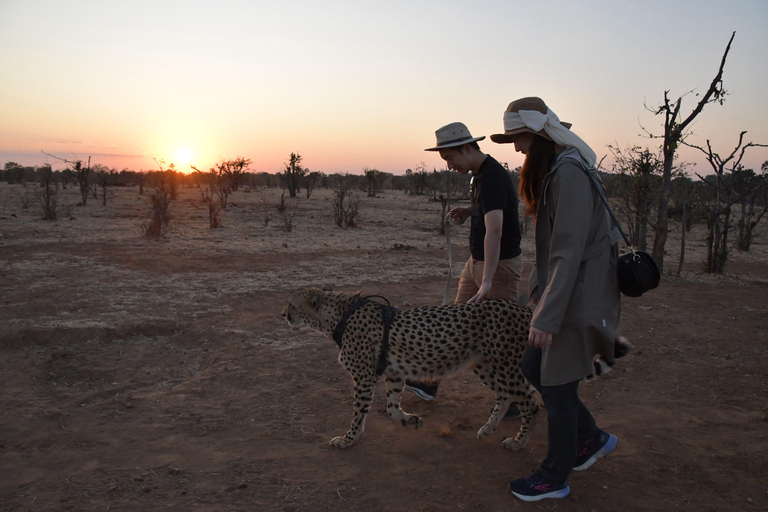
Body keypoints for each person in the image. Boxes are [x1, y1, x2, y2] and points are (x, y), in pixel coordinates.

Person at [490, 97, 621, 502]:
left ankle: (554, 476)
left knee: (556, 382)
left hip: (577, 295)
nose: (516, 147)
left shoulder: (568, 172)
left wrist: (546, 314)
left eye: (520, 137)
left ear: (540, 133)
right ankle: (591, 437)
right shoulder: (559, 169)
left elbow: (567, 250)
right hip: (566, 292)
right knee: (534, 364)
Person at [404, 122, 523, 416]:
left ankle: (517, 400)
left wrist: (487, 281)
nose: (450, 165)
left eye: (451, 158)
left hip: (496, 267)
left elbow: (495, 230)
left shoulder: (492, 176)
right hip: (477, 264)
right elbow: (491, 211)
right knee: (454, 327)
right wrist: (469, 212)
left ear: (467, 148)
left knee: (498, 339)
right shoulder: (480, 176)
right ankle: (429, 382)